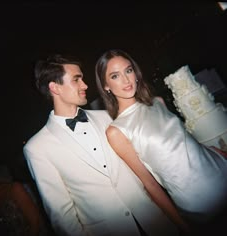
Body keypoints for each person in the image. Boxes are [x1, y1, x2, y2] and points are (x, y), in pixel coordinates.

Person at [23, 54, 182, 236]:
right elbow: (62, 216)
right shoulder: (37, 148)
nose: (85, 85)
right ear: (55, 87)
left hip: (157, 223)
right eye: (77, 80)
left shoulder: (108, 117)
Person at [95, 49, 227, 229]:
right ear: (106, 86)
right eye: (115, 76)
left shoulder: (158, 102)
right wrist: (181, 225)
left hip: (221, 170)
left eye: (128, 70)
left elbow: (183, 140)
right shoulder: (117, 131)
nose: (126, 80)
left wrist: (214, 151)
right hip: (199, 206)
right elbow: (149, 184)